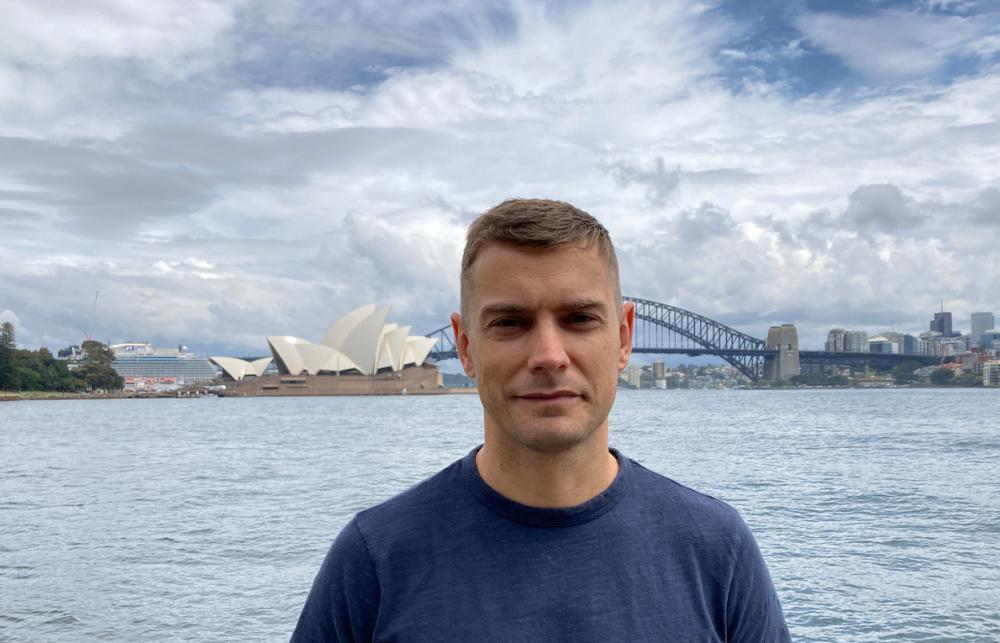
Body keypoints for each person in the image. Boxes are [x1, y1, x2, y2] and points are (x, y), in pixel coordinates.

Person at [291, 199, 791, 642]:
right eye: (510, 322)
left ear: (623, 336)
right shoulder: (374, 557)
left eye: (579, 319)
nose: (549, 355)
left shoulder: (717, 548)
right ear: (465, 346)